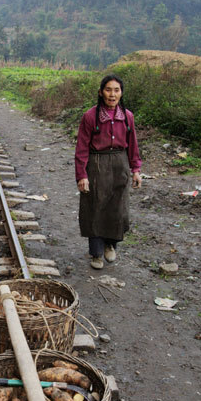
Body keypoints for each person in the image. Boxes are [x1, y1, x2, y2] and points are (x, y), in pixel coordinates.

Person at [75, 74, 142, 269]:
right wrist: (82, 175)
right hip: (97, 164)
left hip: (120, 164)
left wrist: (136, 169)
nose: (112, 95)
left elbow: (133, 146)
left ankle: (110, 245)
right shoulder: (90, 116)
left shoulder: (127, 116)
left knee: (117, 207)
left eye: (116, 90)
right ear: (100, 92)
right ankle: (96, 253)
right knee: (95, 207)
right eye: (108, 90)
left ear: (121, 93)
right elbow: (81, 148)